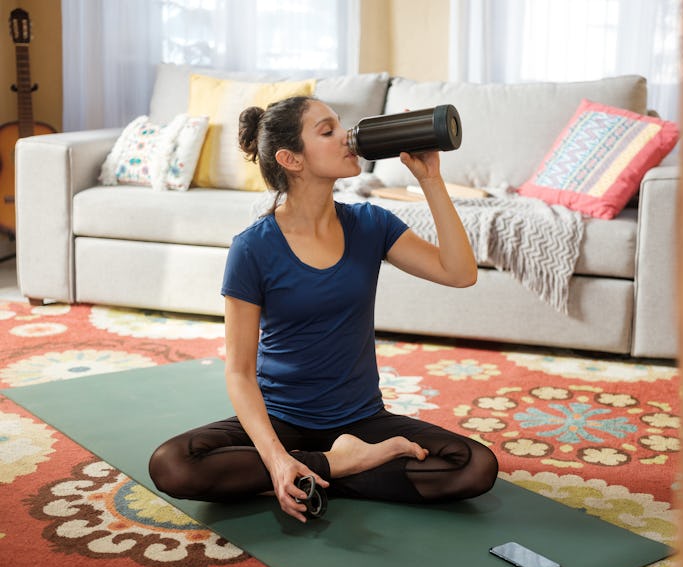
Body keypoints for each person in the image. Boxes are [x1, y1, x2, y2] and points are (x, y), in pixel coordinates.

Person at [148, 95, 498, 523]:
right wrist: (277, 457)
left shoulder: (371, 224)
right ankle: (340, 466)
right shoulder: (252, 248)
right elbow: (238, 372)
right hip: (281, 418)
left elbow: (459, 272)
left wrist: (430, 179)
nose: (347, 137)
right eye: (327, 131)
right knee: (172, 463)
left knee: (475, 466)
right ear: (290, 159)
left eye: (341, 124)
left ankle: (307, 470)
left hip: (362, 420)